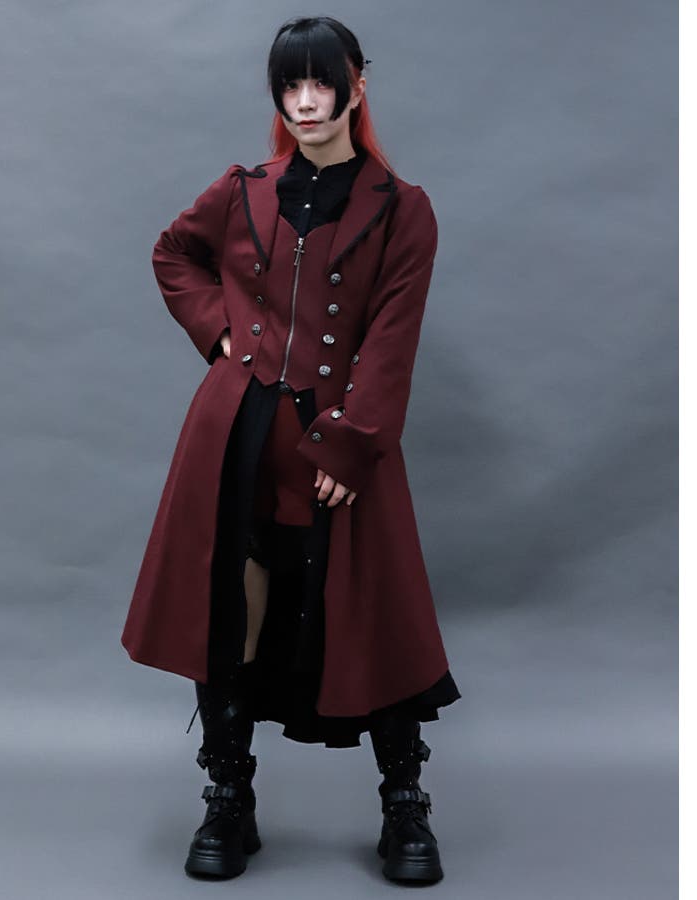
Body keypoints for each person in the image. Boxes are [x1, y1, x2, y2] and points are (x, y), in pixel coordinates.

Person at [121, 15, 462, 884]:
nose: (305, 101)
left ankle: (404, 807)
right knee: (232, 614)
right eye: (289, 85)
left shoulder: (403, 209)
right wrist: (220, 332)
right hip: (235, 438)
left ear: (356, 86)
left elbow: (392, 337)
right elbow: (172, 253)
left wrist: (354, 444)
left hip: (342, 443)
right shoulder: (243, 190)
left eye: (321, 82)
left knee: (371, 614)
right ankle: (229, 801)